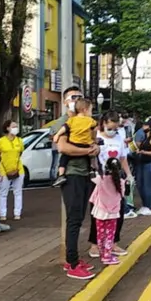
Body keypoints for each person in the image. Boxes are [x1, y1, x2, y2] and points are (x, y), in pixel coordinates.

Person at [57, 85, 100, 280]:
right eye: (72, 97)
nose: (76, 100)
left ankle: (73, 259)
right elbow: (63, 148)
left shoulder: (86, 122)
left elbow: (94, 140)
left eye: (79, 97)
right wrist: (87, 151)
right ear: (65, 101)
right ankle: (72, 263)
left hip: (84, 174)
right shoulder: (63, 123)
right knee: (74, 219)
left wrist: (95, 148)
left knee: (80, 217)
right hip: (71, 174)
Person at [87, 111, 134, 260]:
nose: (113, 131)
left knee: (118, 212)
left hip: (116, 179)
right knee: (97, 213)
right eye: (110, 127)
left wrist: (129, 175)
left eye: (115, 128)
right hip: (100, 179)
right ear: (103, 123)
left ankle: (113, 242)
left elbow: (123, 158)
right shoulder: (96, 137)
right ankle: (95, 244)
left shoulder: (119, 138)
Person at [52, 97, 97, 187]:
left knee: (64, 158)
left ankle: (61, 175)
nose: (91, 113)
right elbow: (95, 128)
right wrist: (93, 140)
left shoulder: (72, 120)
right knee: (91, 157)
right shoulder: (90, 120)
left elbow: (64, 128)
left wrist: (57, 135)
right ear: (85, 110)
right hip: (86, 144)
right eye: (90, 110)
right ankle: (92, 169)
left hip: (73, 143)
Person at [90, 156, 125, 266]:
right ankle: (107, 255)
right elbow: (123, 195)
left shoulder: (100, 180)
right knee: (110, 234)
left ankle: (101, 253)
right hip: (113, 212)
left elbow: (93, 187)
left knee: (100, 233)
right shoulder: (120, 182)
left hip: (100, 211)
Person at [0, 119, 25, 221]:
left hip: (18, 169)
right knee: (3, 192)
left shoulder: (19, 141)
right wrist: (2, 167)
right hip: (4, 169)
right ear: (7, 128)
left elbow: (20, 153)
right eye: (13, 126)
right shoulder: (1, 141)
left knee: (18, 192)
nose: (15, 128)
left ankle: (17, 213)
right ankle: (3, 214)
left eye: (16, 126)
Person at [135, 118, 151, 216]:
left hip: (150, 164)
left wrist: (144, 152)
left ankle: (148, 206)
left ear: (150, 127)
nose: (143, 127)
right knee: (140, 185)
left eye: (145, 125)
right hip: (142, 163)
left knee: (147, 186)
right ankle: (144, 205)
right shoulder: (145, 137)